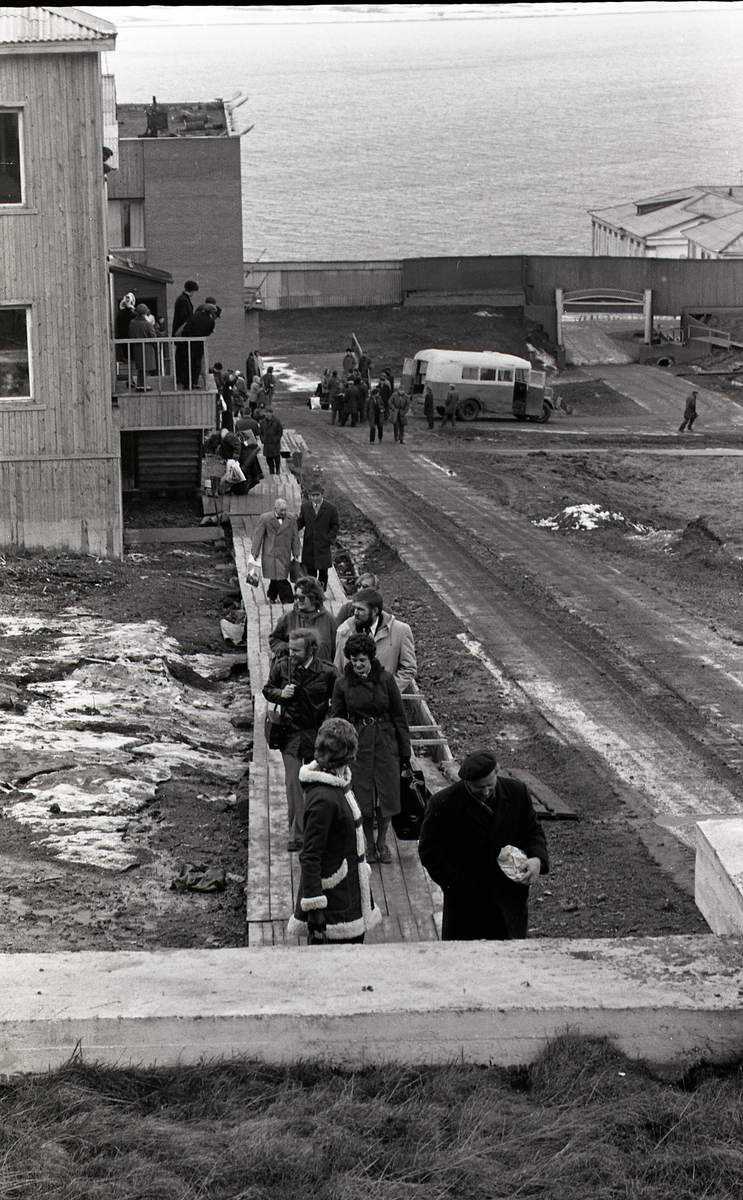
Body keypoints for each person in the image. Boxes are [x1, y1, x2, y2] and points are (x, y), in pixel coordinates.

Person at [419, 750, 548, 941]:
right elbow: (430, 852)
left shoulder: (517, 792)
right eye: (479, 788)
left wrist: (537, 859)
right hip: (465, 909)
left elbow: (533, 832)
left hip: (509, 904)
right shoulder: (443, 804)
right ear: (465, 782)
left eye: (490, 785)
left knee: (510, 962)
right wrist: (460, 885)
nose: (486, 792)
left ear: (497, 772)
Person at [286, 718, 383, 944]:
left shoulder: (337, 783)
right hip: (333, 903)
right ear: (347, 754)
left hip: (346, 893)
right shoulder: (324, 799)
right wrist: (314, 906)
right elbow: (310, 856)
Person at [331, 632, 411, 864]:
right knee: (363, 796)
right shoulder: (342, 684)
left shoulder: (385, 679)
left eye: (362, 660)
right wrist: (338, 751)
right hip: (359, 745)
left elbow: (399, 715)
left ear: (371, 659)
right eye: (353, 660)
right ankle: (368, 843)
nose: (357, 664)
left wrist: (405, 750)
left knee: (387, 795)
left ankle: (382, 842)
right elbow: (337, 719)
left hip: (385, 743)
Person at [262, 628, 338, 852]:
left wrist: (329, 721)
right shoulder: (282, 666)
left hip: (318, 736)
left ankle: (319, 831)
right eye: (290, 648)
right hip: (291, 734)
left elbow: (338, 699)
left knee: (319, 784)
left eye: (297, 649)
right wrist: (280, 694)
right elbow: (268, 690)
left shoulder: (327, 672)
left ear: (311, 649)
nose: (291, 653)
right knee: (294, 784)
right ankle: (297, 834)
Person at [335, 587, 417, 692]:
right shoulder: (344, 631)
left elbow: (408, 668)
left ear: (375, 611)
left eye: (360, 609)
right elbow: (338, 669)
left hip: (384, 701)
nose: (355, 613)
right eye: (354, 608)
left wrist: (388, 690)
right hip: (353, 700)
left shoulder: (400, 631)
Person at [269, 575, 338, 665]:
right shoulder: (288, 617)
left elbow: (336, 650)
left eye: (302, 598)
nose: (298, 601)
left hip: (322, 673)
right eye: (296, 597)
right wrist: (289, 648)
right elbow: (274, 640)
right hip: (294, 671)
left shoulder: (330, 620)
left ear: (314, 597)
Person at [250, 497, 301, 604]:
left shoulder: (291, 519)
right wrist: (255, 552)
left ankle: (272, 594)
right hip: (271, 553)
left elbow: (295, 536)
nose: (284, 512)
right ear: (275, 509)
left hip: (284, 552)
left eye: (285, 510)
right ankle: (287, 598)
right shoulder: (265, 518)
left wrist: (296, 552)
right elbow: (258, 536)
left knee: (279, 575)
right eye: (281, 510)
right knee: (279, 576)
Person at [298, 484, 339, 590]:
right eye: (312, 496)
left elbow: (335, 525)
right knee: (310, 571)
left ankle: (321, 592)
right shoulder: (305, 507)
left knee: (323, 572)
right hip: (309, 545)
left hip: (323, 545)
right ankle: (312, 592)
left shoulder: (331, 508)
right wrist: (290, 530)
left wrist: (329, 539)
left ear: (322, 494)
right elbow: (301, 522)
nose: (315, 498)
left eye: (317, 495)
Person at [176, 302, 217, 389]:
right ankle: (194, 381)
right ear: (211, 312)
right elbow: (208, 333)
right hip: (200, 343)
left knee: (187, 362)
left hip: (189, 342)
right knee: (197, 362)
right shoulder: (211, 321)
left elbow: (186, 329)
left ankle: (187, 383)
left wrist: (186, 337)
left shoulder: (194, 316)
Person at [217, 427, 262, 494]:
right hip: (247, 455)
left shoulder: (228, 437)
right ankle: (241, 488)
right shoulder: (230, 436)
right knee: (243, 473)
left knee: (241, 473)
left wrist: (235, 458)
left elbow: (237, 445)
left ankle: (241, 490)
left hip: (243, 457)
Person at [172, 280, 199, 387]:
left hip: (179, 331)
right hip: (182, 332)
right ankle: (181, 376)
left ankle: (180, 375)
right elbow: (185, 316)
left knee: (180, 354)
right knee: (182, 355)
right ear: (192, 290)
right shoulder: (184, 300)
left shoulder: (181, 298)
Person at [128, 303, 157, 390]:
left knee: (140, 367)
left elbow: (130, 334)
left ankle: (139, 384)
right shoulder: (147, 324)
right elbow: (153, 336)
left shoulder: (132, 322)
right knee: (145, 367)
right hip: (147, 347)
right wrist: (154, 344)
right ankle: (143, 385)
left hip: (136, 347)